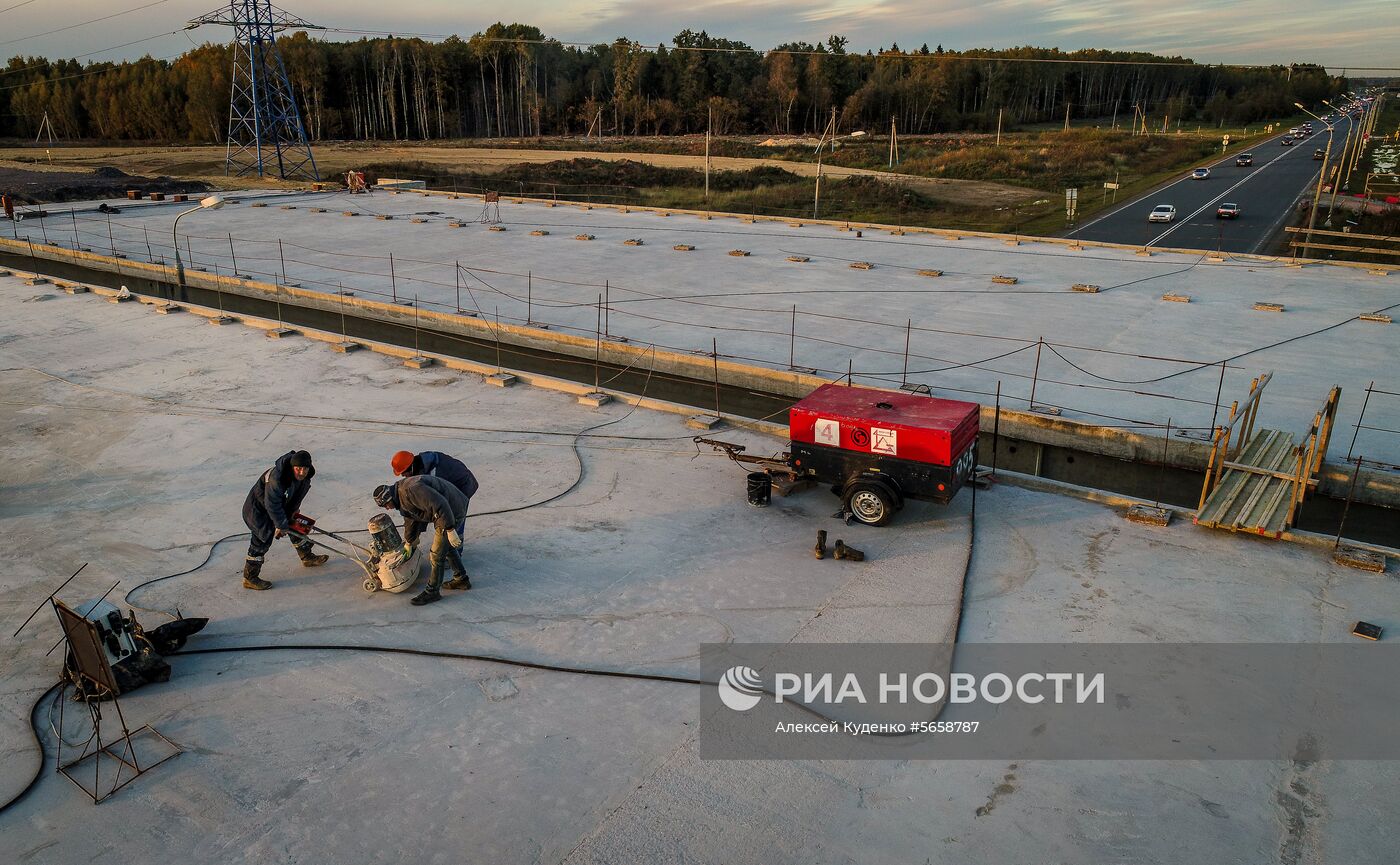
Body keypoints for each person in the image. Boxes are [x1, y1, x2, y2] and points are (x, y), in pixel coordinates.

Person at [374, 475, 470, 606]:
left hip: (452, 511)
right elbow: (411, 518)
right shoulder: (401, 496)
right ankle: (461, 579)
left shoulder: (412, 489)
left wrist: (450, 529)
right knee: (447, 548)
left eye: (386, 505)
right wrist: (409, 542)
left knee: (436, 555)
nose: (387, 508)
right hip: (446, 511)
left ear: (389, 498)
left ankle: (432, 592)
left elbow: (440, 504)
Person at [241, 450, 328, 590]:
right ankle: (249, 578)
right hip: (258, 511)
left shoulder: (305, 478)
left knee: (297, 525)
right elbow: (272, 504)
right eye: (298, 469)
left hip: (280, 507)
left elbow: (297, 496)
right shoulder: (277, 478)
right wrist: (280, 525)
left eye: (304, 469)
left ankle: (307, 557)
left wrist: (293, 513)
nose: (301, 472)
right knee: (262, 540)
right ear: (292, 467)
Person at [390, 450, 478, 553]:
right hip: (452, 485)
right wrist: (411, 538)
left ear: (411, 467)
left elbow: (437, 505)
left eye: (404, 473)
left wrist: (449, 528)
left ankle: (455, 553)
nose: (404, 476)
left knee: (453, 521)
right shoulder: (421, 467)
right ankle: (449, 550)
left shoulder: (434, 472)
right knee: (443, 520)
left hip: (463, 486)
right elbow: (418, 510)